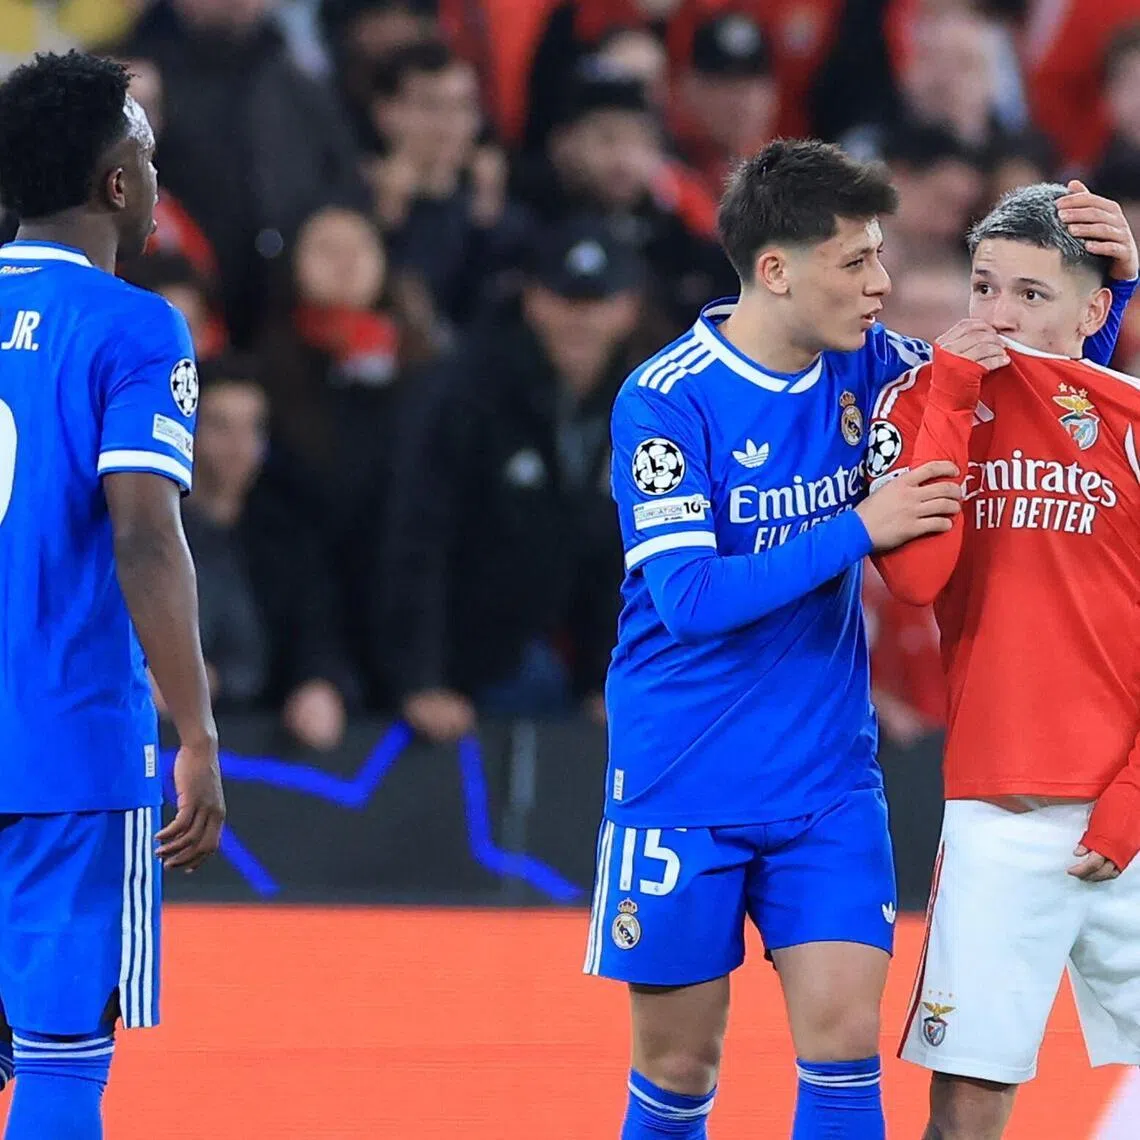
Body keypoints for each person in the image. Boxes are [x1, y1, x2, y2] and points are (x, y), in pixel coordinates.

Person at [584, 139, 1133, 1140]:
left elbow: (1052, 413)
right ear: (777, 270)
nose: (883, 283)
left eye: (882, 255)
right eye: (855, 262)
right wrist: (859, 527)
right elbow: (693, 597)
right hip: (682, 777)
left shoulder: (882, 369)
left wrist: (1114, 294)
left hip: (827, 783)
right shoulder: (667, 397)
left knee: (843, 1048)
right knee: (676, 1064)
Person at [865, 183, 1140, 1139]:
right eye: (984, 288)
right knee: (966, 1113)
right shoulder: (924, 400)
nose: (997, 316)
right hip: (1000, 812)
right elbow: (914, 577)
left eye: (1031, 294)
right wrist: (951, 397)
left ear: (1095, 310)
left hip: (1132, 807)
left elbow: (1074, 400)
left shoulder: (1132, 420)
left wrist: (1133, 799)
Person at [0, 51, 225, 1138]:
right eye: (146, 150)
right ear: (118, 186)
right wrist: (198, 731)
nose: (153, 169)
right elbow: (144, 535)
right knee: (59, 1051)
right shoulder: (135, 327)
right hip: (67, 744)